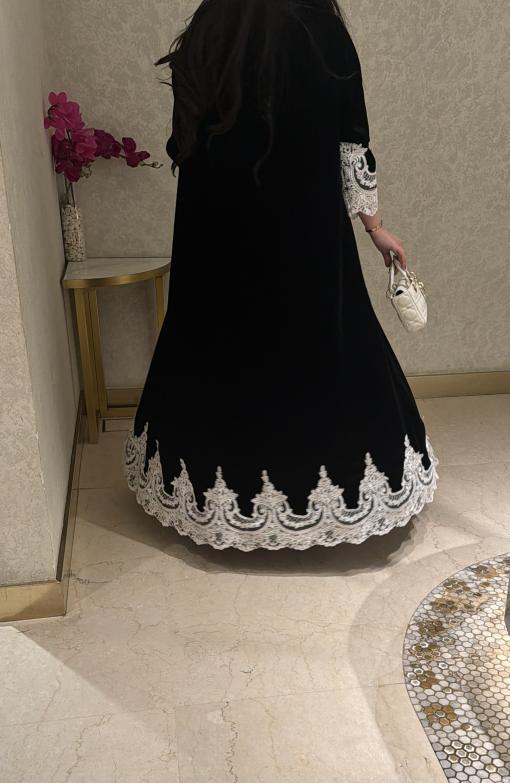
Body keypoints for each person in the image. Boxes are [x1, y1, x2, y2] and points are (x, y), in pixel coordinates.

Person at [124, 0, 438, 551]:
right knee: (316, 347)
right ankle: (324, 494)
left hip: (213, 234)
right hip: (302, 233)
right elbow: (350, 141)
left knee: (216, 346)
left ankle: (215, 499)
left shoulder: (212, 27)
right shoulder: (320, 31)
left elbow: (183, 142)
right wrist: (375, 227)